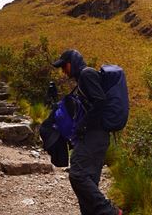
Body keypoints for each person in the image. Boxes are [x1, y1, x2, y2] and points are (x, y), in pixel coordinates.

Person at [52, 49, 122, 215]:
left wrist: (83, 125)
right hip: (97, 135)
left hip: (95, 135)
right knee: (90, 179)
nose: (63, 71)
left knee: (77, 173)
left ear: (72, 63)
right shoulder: (82, 78)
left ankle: (109, 211)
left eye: (64, 66)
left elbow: (100, 101)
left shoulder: (86, 74)